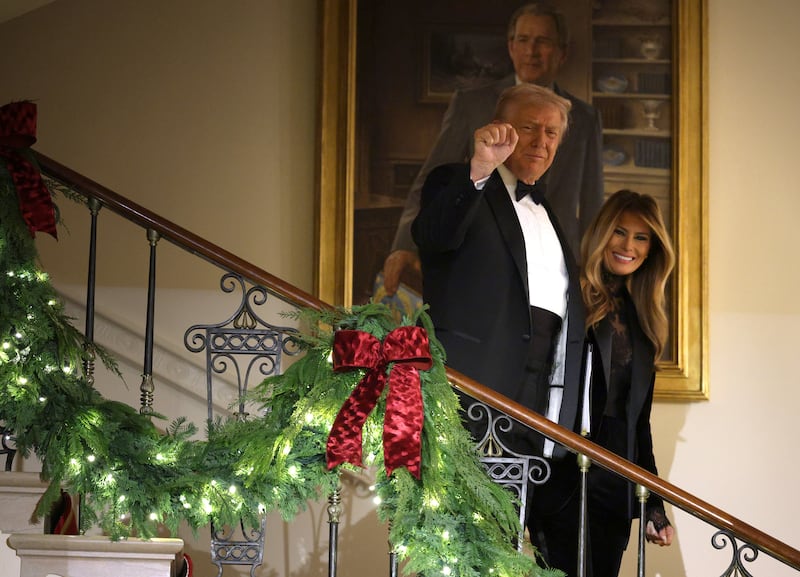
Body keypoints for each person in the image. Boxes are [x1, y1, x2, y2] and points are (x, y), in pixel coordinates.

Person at [412, 83, 587, 564]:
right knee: (458, 540)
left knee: (511, 538)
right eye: (528, 127)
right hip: (473, 388)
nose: (540, 141)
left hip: (537, 404)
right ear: (499, 126)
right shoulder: (459, 180)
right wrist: (481, 168)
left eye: (551, 132)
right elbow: (433, 236)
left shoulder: (550, 212)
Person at [384, 1, 604, 296]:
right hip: (481, 265)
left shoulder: (586, 118)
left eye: (543, 41)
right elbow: (430, 180)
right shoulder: (470, 104)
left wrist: (594, 271)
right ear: (511, 46)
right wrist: (404, 246)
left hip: (559, 268)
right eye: (523, 40)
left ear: (562, 52)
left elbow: (593, 204)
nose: (531, 50)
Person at [540, 189, 674, 576]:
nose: (628, 245)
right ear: (601, 234)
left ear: (651, 250)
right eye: (619, 232)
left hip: (615, 486)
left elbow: (637, 425)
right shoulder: (568, 297)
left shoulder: (645, 324)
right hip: (564, 476)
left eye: (641, 237)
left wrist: (653, 503)